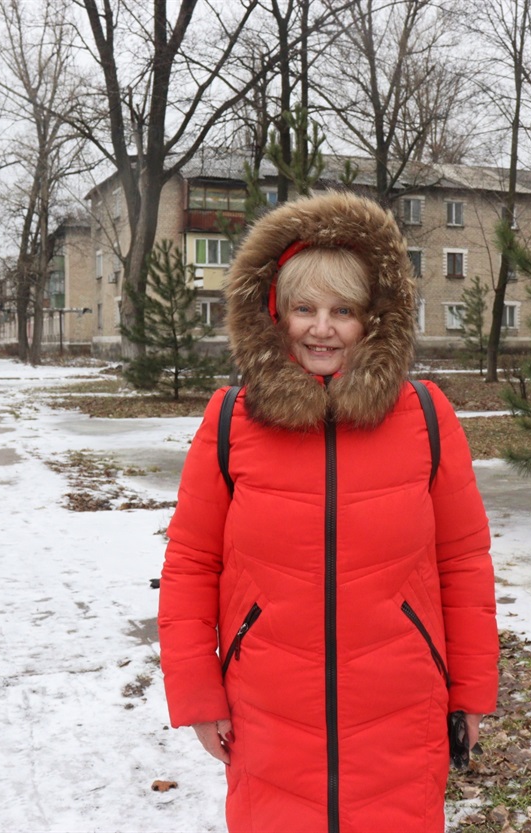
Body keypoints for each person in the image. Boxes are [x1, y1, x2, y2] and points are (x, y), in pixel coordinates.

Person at [158, 191, 498, 833]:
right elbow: (191, 564)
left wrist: (472, 691)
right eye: (304, 309)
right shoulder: (231, 421)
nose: (322, 328)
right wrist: (199, 694)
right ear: (274, 315)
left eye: (343, 310)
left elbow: (463, 563)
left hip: (402, 711)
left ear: (374, 320)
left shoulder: (427, 417)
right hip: (267, 713)